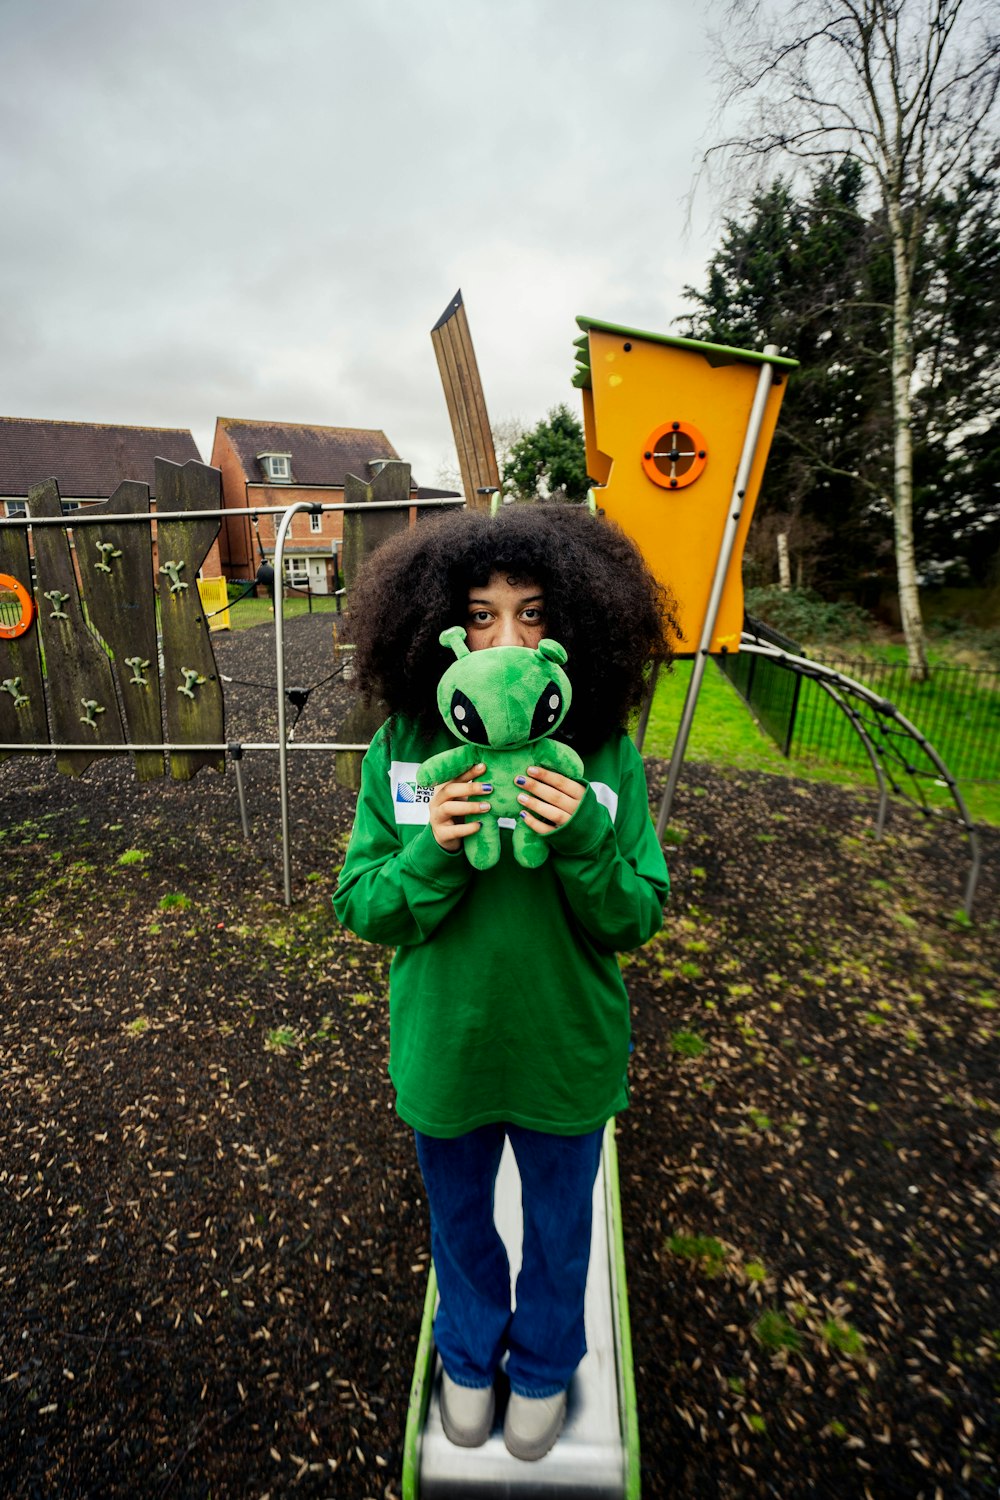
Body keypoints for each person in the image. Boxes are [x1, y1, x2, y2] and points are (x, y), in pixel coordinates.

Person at [332, 502, 675, 1462]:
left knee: (564, 1236)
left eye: (532, 612)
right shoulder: (403, 751)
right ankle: (470, 1357)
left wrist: (585, 842)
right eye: (481, 615)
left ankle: (544, 1367)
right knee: (462, 1226)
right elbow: (361, 907)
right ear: (436, 626)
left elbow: (633, 917)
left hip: (567, 1054)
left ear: (578, 623)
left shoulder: (605, 756)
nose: (508, 637)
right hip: (447, 1050)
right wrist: (430, 854)